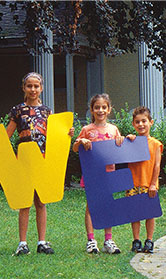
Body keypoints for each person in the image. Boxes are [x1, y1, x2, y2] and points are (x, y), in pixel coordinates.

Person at [7, 72, 74, 255]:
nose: (33, 89)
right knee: (24, 202)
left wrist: (67, 133)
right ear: (24, 88)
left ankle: (42, 241)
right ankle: (22, 243)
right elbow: (6, 136)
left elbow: (54, 135)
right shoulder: (17, 110)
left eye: (36, 86)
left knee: (41, 201)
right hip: (25, 160)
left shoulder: (47, 111)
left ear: (41, 88)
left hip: (43, 160)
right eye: (29, 86)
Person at [73, 93, 125, 254]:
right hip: (92, 174)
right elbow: (75, 148)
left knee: (108, 206)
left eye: (104, 107)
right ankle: (91, 240)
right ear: (91, 110)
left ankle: (108, 240)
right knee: (91, 206)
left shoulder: (113, 129)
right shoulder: (86, 130)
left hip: (109, 174)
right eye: (97, 107)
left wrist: (123, 140)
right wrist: (81, 141)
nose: (100, 110)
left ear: (109, 110)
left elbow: (121, 150)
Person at [125, 106, 163, 252]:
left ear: (150, 122)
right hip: (133, 183)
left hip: (149, 184)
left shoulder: (155, 144)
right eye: (137, 122)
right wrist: (128, 139)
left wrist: (153, 184)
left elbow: (157, 165)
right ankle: (136, 240)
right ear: (133, 124)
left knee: (149, 213)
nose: (141, 125)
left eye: (144, 121)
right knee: (135, 213)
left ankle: (149, 240)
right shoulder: (131, 142)